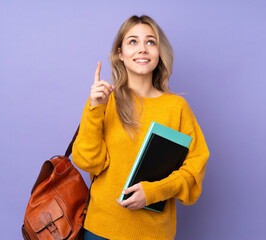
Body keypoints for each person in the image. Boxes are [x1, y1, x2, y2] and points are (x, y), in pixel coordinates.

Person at [72, 15, 209, 240]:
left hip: (154, 234)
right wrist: (95, 108)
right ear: (120, 54)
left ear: (159, 52)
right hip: (102, 230)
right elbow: (88, 162)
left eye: (151, 42)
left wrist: (154, 192)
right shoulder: (104, 101)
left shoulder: (177, 108)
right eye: (133, 42)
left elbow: (194, 170)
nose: (142, 49)